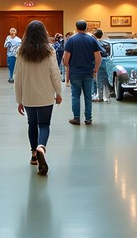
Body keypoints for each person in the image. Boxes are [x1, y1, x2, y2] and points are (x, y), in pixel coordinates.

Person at [14, 20, 63, 175]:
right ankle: (41, 146)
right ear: (44, 34)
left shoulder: (21, 52)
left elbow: (18, 76)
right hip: (46, 94)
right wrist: (58, 92)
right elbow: (55, 73)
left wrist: (19, 99)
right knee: (44, 124)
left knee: (32, 123)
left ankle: (34, 155)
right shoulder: (49, 51)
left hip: (28, 95)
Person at [62, 19, 102, 125]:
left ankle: (76, 118)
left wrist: (68, 67)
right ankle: (88, 119)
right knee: (88, 97)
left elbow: (65, 59)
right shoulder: (92, 40)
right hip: (88, 73)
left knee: (75, 96)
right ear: (86, 28)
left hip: (75, 73)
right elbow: (98, 58)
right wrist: (95, 70)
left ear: (76, 28)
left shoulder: (71, 40)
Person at [93, 28, 112, 102]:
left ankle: (99, 96)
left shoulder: (95, 43)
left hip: (97, 61)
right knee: (105, 78)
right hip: (106, 62)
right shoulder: (106, 43)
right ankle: (106, 96)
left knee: (98, 79)